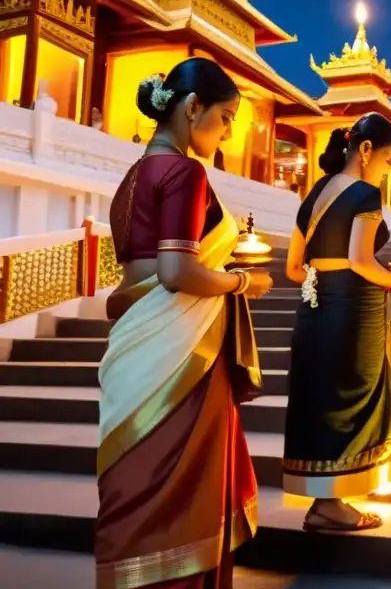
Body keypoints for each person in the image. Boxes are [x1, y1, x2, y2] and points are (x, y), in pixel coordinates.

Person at [95, 58, 273, 589]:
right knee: (181, 484)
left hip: (136, 344)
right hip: (179, 346)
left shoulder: (132, 177)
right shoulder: (185, 172)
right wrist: (242, 283)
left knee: (136, 479)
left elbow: (145, 269)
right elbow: (176, 271)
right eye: (226, 116)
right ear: (192, 108)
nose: (228, 131)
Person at [282, 113, 391, 532]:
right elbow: (361, 261)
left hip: (315, 309)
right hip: (351, 312)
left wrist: (323, 284)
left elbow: (292, 268)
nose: (389, 168)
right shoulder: (364, 195)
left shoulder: (315, 193)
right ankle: (332, 503)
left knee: (322, 398)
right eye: (390, 158)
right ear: (365, 150)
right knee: (357, 395)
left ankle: (324, 501)